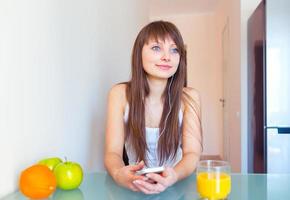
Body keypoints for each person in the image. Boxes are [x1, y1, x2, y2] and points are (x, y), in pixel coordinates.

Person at [104, 20, 202, 194]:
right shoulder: (119, 94)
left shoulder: (189, 98)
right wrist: (119, 174)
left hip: (177, 185)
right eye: (157, 48)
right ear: (138, 53)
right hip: (136, 186)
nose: (167, 57)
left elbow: (192, 154)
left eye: (174, 50)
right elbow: (112, 152)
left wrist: (174, 176)